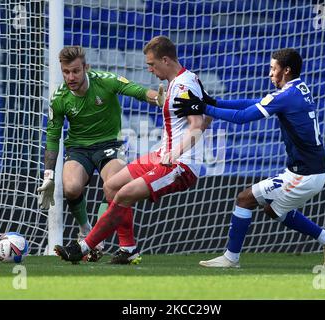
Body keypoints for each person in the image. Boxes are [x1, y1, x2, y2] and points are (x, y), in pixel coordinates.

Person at [173, 48, 325, 268]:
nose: (270, 74)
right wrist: (213, 102)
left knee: (245, 199)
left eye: (273, 69)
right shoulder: (298, 89)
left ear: (287, 70)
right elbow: (253, 103)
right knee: (271, 209)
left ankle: (231, 258)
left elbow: (243, 117)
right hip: (307, 170)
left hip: (305, 174)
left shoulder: (286, 96)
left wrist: (203, 107)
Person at [53, 35, 211, 263]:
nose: (149, 70)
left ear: (165, 60)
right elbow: (206, 117)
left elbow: (196, 125)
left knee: (124, 193)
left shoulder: (184, 85)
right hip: (162, 155)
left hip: (179, 164)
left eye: (151, 64)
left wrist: (174, 154)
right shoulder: (178, 82)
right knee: (112, 185)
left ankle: (85, 245)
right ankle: (128, 249)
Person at [37, 46, 164, 263]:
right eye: (66, 72)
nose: (70, 77)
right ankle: (85, 229)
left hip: (110, 145)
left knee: (114, 186)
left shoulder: (105, 81)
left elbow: (137, 91)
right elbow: (52, 137)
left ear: (86, 68)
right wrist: (48, 174)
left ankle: (96, 237)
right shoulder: (59, 98)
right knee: (71, 187)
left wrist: (158, 98)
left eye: (75, 71)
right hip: (78, 149)